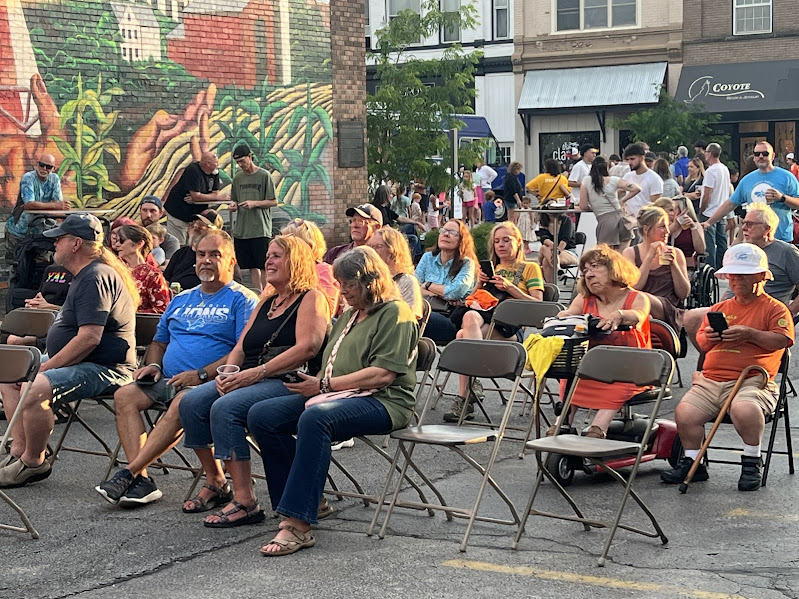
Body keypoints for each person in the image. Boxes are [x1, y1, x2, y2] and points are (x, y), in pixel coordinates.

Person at [249, 246, 419, 556]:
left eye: (348, 284)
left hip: (385, 402)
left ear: (370, 281)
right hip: (336, 394)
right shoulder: (351, 314)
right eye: (339, 283)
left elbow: (383, 375)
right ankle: (305, 500)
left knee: (316, 418)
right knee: (263, 415)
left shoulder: (396, 313)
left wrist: (324, 385)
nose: (342, 290)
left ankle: (298, 524)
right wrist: (309, 382)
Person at [95, 230, 259, 507]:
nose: (205, 260)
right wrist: (154, 365)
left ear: (231, 261)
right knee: (125, 395)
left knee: (185, 402)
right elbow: (159, 341)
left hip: (212, 382)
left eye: (214, 255)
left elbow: (240, 351)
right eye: (201, 254)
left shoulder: (242, 300)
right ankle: (141, 481)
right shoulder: (182, 299)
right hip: (168, 378)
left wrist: (201, 374)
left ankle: (129, 472)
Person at [176, 236, 330, 526]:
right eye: (268, 256)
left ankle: (245, 501)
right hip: (251, 376)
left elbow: (307, 347)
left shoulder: (311, 297)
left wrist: (256, 373)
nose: (268, 262)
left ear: (295, 261)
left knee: (226, 407)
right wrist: (229, 373)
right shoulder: (268, 301)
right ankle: (216, 479)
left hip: (288, 379)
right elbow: (241, 346)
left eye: (276, 256)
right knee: (192, 401)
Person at [0, 214, 138, 487]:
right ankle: (18, 450)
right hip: (81, 361)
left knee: (36, 384)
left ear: (75, 244)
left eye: (58, 239)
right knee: (9, 372)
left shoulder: (96, 277)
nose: (54, 245)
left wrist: (46, 367)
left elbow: (89, 339)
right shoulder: (83, 275)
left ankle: (33, 462)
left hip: (106, 367)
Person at [661, 244, 794, 491]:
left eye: (743, 274)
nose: (736, 280)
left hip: (753, 380)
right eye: (733, 274)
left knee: (744, 408)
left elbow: (783, 340)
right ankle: (693, 461)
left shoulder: (775, 308)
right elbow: (701, 342)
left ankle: (752, 460)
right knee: (685, 413)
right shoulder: (720, 308)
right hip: (712, 380)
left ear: (762, 276)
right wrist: (709, 339)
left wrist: (750, 334)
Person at [444, 222, 544, 422]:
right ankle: (470, 389)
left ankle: (467, 392)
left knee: (463, 335)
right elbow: (471, 302)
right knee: (465, 326)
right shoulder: (493, 268)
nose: (501, 245)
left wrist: (510, 288)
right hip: (486, 325)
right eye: (497, 241)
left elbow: (539, 305)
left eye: (506, 240)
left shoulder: (530, 268)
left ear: (518, 242)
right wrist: (480, 283)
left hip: (512, 330)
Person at [551, 244, 651, 438]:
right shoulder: (585, 298)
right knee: (570, 376)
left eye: (595, 267)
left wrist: (619, 315)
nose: (588, 275)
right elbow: (570, 313)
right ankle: (561, 425)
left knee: (618, 383)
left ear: (614, 268)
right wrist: (562, 317)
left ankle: (598, 430)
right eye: (585, 270)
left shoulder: (637, 297)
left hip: (631, 370)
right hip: (593, 368)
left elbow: (638, 315)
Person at [683, 203, 799, 351]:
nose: (744, 227)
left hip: (762, 310)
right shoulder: (742, 250)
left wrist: (788, 312)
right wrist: (723, 303)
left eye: (750, 224)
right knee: (691, 318)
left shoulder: (786, 252)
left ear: (767, 228)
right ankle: (711, 358)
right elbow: (732, 284)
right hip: (732, 306)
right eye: (743, 223)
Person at [702, 141, 799, 245]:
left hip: (780, 239)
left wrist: (782, 197)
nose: (760, 156)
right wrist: (708, 222)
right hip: (754, 240)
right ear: (754, 158)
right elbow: (730, 204)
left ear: (772, 156)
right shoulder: (747, 180)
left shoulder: (787, 177)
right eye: (757, 154)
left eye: (765, 153)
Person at [623, 206, 690, 332]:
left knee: (644, 299)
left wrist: (674, 264)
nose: (667, 231)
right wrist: (648, 258)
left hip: (669, 309)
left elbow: (683, 294)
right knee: (640, 301)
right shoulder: (630, 253)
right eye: (662, 227)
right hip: (637, 308)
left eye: (667, 226)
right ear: (646, 229)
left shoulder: (676, 253)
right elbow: (635, 286)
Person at [415, 219, 477, 345]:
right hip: (425, 310)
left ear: (461, 240)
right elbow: (414, 287)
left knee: (411, 319)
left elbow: (455, 292)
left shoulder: (467, 263)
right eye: (443, 230)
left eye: (453, 232)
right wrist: (440, 294)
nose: (446, 234)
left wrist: (427, 285)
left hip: (450, 317)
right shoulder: (427, 258)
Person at [228, 144, 278, 292]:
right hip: (243, 229)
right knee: (250, 265)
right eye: (238, 162)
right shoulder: (238, 178)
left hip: (260, 228)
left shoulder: (264, 175)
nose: (241, 165)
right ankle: (257, 293)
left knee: (263, 264)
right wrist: (233, 206)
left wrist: (254, 203)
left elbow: (273, 201)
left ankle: (266, 293)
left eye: (243, 161)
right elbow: (235, 200)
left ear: (250, 157)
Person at [5, 152, 68, 266]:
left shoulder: (54, 179)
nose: (44, 169)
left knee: (40, 267)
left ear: (53, 168)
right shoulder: (28, 178)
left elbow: (59, 206)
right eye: (42, 165)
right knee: (16, 267)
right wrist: (53, 205)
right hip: (19, 232)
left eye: (48, 167)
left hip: (42, 233)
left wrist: (51, 206)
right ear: (36, 165)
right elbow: (29, 204)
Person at [578, 155, 641, 251]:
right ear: (607, 167)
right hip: (622, 219)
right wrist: (623, 200)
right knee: (622, 256)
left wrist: (593, 205)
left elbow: (583, 205)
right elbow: (636, 188)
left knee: (606, 256)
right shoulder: (614, 180)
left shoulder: (587, 181)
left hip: (605, 222)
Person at [281, 218, 340, 317]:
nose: (281, 249)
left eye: (289, 245)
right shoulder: (281, 271)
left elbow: (327, 311)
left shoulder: (324, 270)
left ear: (309, 247)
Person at [164, 152, 225, 245]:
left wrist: (202, 197)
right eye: (216, 163)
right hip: (178, 212)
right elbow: (196, 196)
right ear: (208, 164)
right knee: (178, 243)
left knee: (194, 243)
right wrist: (212, 197)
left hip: (196, 216)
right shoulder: (193, 169)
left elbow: (215, 193)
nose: (218, 165)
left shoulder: (215, 172)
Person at [367, 227, 423, 319]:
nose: (372, 251)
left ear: (393, 250)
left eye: (378, 247)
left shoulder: (407, 281)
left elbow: (410, 318)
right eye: (370, 247)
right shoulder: (368, 278)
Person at [164, 209, 226, 291]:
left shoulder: (220, 257)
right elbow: (165, 281)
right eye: (194, 224)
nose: (196, 227)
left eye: (201, 225)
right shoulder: (180, 253)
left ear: (215, 232)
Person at [115, 224, 171, 314]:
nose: (116, 245)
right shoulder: (114, 270)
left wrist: (130, 314)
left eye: (122, 240)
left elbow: (162, 309)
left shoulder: (153, 274)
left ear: (139, 244)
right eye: (116, 240)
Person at [695, 143, 732, 270]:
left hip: (710, 211)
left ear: (710, 153)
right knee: (721, 241)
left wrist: (701, 210)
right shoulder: (724, 169)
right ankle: (722, 265)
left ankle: (710, 268)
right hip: (721, 210)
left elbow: (707, 194)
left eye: (706, 152)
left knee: (710, 243)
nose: (705, 154)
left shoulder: (711, 171)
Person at [656, 196, 705, 268]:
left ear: (682, 210)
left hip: (686, 265)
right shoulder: (665, 224)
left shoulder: (695, 225)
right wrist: (674, 225)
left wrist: (693, 228)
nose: (670, 213)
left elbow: (700, 250)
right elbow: (656, 240)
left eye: (672, 210)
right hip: (664, 264)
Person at [622, 143, 663, 216]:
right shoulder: (627, 176)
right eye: (627, 159)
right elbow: (617, 192)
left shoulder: (655, 178)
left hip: (645, 221)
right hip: (628, 221)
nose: (629, 162)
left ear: (642, 158)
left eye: (632, 159)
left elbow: (656, 206)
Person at [537, 210, 577, 284]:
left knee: (544, 251)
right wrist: (554, 249)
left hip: (568, 252)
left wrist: (557, 250)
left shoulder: (566, 220)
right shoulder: (544, 223)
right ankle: (558, 271)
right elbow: (544, 239)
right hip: (551, 253)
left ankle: (553, 285)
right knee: (545, 255)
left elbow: (565, 240)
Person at [139, 195, 179, 260]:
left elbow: (168, 267)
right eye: (144, 210)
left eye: (153, 211)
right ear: (140, 212)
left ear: (160, 213)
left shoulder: (170, 241)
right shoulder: (132, 234)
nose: (148, 215)